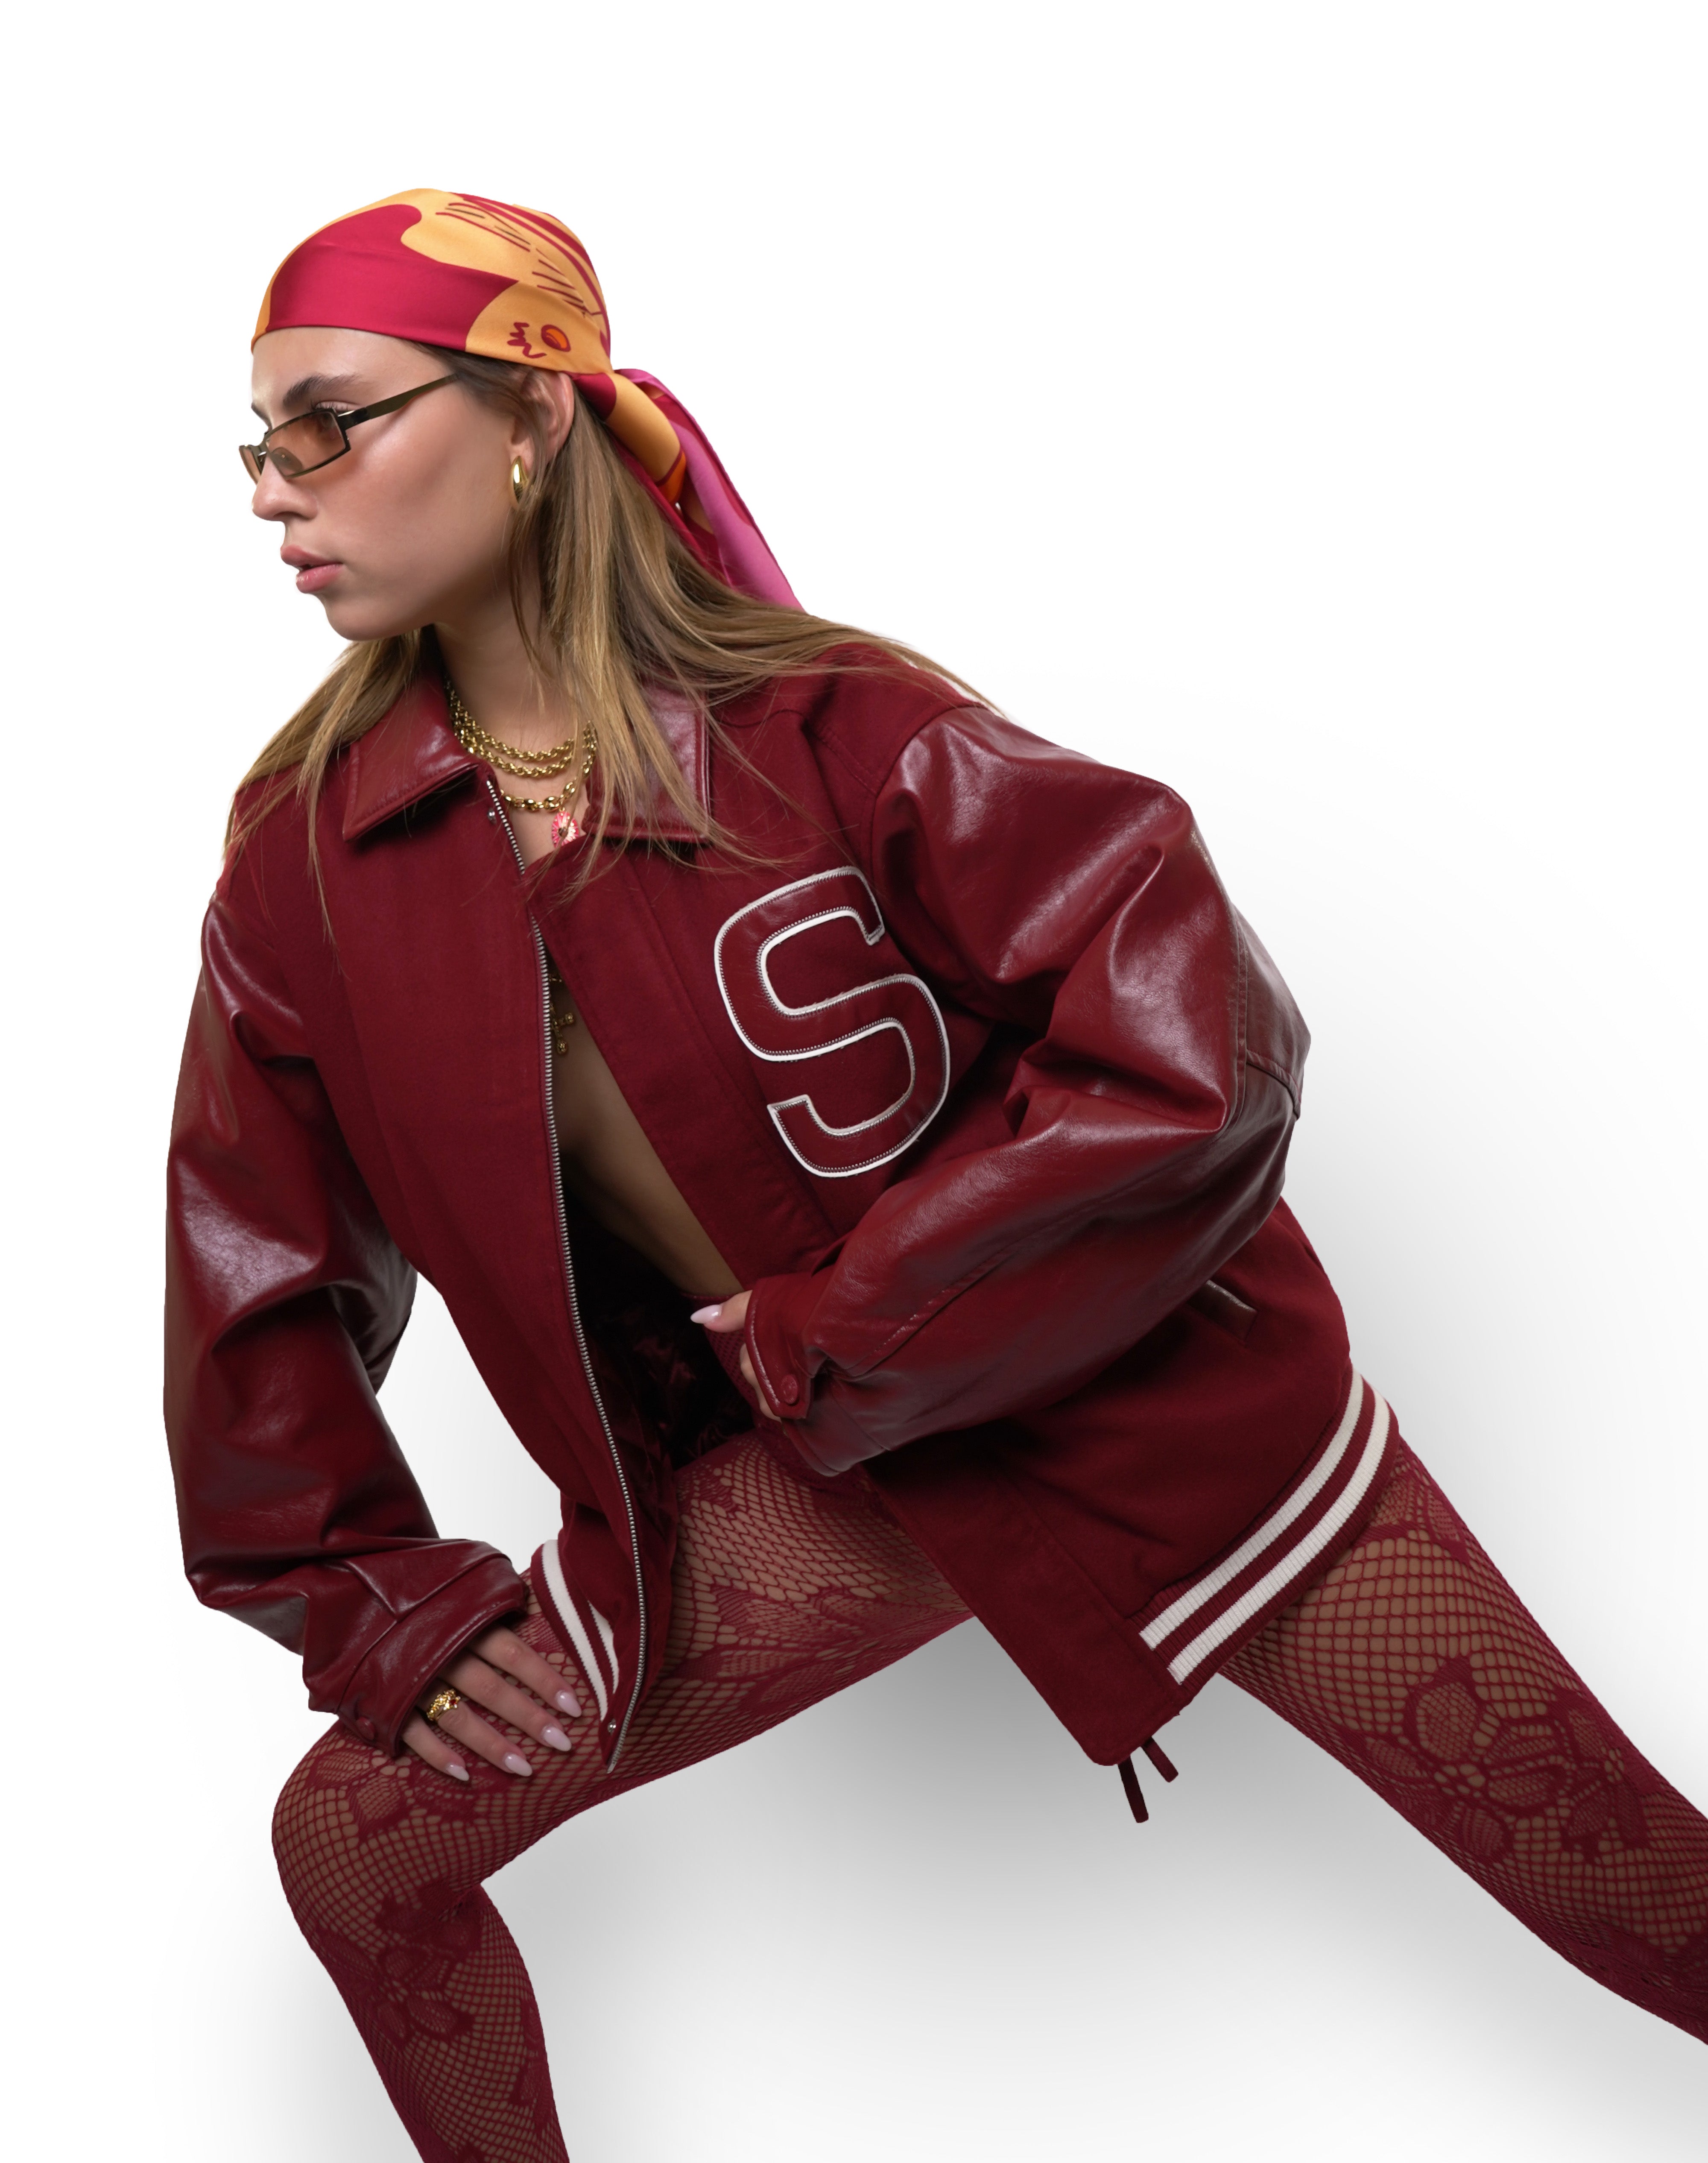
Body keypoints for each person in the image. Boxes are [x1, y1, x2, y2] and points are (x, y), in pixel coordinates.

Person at [166, 188, 1707, 2161]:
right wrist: (369, 1599)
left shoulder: (835, 728)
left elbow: (1204, 1042)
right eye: (261, 444)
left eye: (337, 423)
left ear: (539, 417)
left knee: (1641, 1898)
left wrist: (858, 1312)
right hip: (836, 1472)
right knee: (357, 1852)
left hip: (1148, 1413)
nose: (281, 492)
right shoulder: (307, 860)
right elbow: (251, 1264)